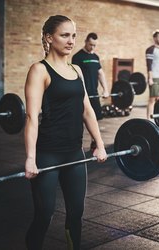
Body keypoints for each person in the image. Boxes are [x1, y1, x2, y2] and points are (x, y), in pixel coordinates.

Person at [24, 15, 107, 250]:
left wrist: (98, 143)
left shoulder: (77, 70)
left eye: (73, 35)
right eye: (64, 35)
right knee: (44, 214)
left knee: (76, 213)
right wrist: (30, 158)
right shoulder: (39, 70)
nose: (71, 41)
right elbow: (31, 117)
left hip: (73, 153)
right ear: (49, 38)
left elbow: (87, 110)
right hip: (47, 154)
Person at [72, 32, 109, 151]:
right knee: (79, 121)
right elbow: (74, 76)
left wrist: (105, 89)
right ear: (86, 42)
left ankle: (95, 143)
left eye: (94, 45)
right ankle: (77, 146)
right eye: (91, 45)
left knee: (95, 119)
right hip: (81, 95)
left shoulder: (95, 57)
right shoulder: (77, 57)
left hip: (94, 93)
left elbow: (100, 74)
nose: (92, 47)